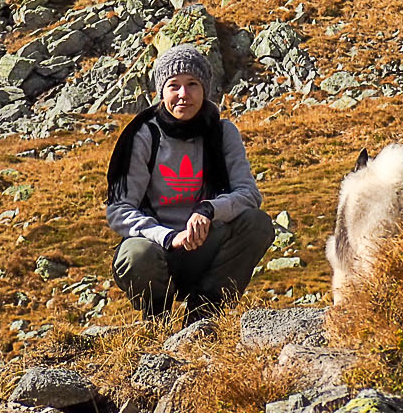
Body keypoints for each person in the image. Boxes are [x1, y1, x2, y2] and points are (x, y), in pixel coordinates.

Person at [105, 45, 276, 320]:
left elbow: (248, 194)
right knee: (134, 254)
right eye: (174, 86)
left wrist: (209, 210)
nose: (183, 95)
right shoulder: (143, 135)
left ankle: (204, 315)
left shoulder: (223, 133)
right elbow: (119, 210)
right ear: (161, 92)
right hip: (157, 249)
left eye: (192, 84)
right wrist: (169, 237)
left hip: (205, 247)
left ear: (205, 89)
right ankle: (156, 318)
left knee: (257, 223)